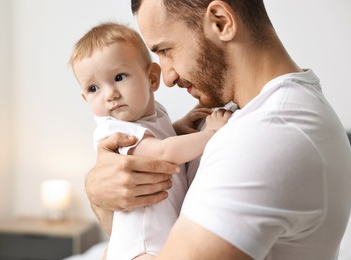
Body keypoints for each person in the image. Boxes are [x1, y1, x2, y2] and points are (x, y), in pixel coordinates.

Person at [85, 1, 351, 259]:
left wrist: (97, 197)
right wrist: (100, 192)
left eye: (166, 50)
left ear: (221, 22)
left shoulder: (268, 135)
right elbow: (150, 231)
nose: (166, 77)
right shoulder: (236, 113)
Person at [69, 22, 231, 259]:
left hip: (160, 234)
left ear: (152, 78)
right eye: (94, 88)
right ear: (85, 98)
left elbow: (159, 140)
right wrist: (209, 135)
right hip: (142, 243)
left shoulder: (153, 113)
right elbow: (164, 152)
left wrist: (179, 126)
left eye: (119, 77)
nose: (109, 94)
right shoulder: (114, 129)